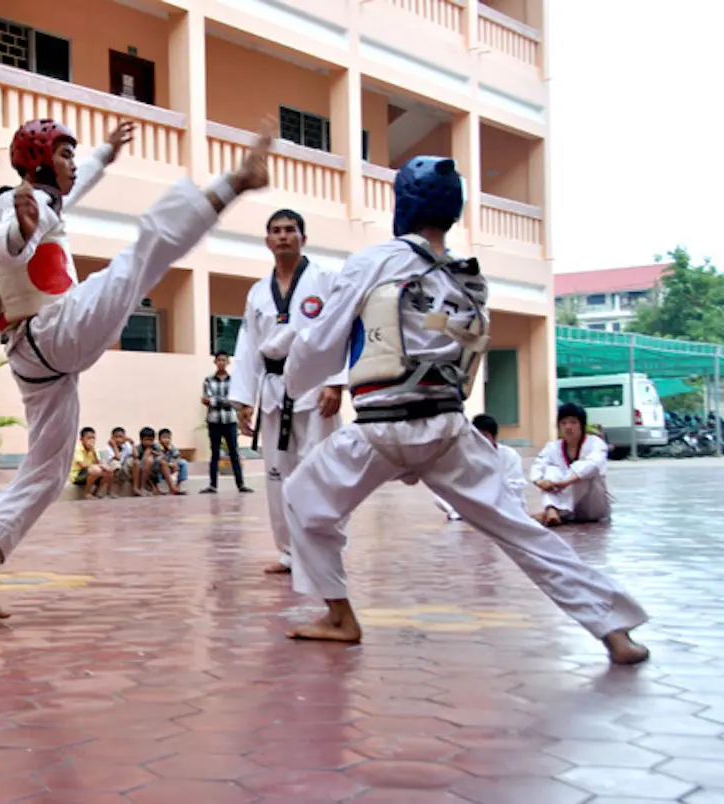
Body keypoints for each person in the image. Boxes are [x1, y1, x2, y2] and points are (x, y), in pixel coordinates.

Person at [278, 155, 649, 665]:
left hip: (382, 429)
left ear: (402, 204)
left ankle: (340, 616)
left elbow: (317, 349)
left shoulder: (376, 261)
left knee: (301, 498)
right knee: (521, 531)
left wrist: (293, 370)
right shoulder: (468, 278)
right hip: (449, 430)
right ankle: (616, 631)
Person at [0, 117, 274, 618]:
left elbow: (56, 201)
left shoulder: (44, 201)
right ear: (37, 160)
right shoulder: (19, 206)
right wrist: (21, 235)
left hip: (32, 358)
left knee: (49, 469)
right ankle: (234, 183)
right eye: (64, 156)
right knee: (141, 257)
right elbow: (6, 242)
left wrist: (104, 155)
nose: (72, 166)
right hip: (54, 331)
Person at [229, 209, 347, 574]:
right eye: (276, 231)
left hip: (315, 388)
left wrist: (336, 381)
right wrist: (243, 400)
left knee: (318, 470)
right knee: (277, 474)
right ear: (267, 241)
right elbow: (248, 345)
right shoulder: (257, 292)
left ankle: (323, 550)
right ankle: (289, 552)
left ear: (303, 238)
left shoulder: (325, 280)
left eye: (290, 230)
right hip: (274, 391)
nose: (283, 236)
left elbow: (342, 328)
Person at [530, 402, 611, 527]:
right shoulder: (553, 447)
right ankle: (552, 510)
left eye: (573, 422)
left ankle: (553, 511)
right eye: (563, 423)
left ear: (582, 425)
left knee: (582, 472)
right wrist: (539, 481)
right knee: (551, 471)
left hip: (592, 507)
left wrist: (566, 482)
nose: (568, 427)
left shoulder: (596, 443)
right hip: (568, 506)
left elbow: (593, 465)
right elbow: (538, 464)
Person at [433, 413, 525, 521]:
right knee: (439, 497)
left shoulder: (510, 455)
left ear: (494, 437)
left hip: (501, 501)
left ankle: (468, 514)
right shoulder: (468, 454)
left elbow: (515, 486)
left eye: (485, 436)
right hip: (476, 500)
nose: (481, 440)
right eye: (477, 437)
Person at [201, 352, 252, 494]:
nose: (221, 362)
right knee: (215, 454)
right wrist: (226, 401)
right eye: (219, 360)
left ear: (228, 362)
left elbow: (235, 401)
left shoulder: (234, 381)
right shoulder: (208, 380)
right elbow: (206, 400)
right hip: (214, 421)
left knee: (234, 453)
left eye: (224, 360)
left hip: (230, 421)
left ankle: (241, 484)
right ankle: (212, 485)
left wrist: (216, 401)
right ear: (215, 362)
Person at [70, 426, 109, 500]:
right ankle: (87, 493)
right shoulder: (77, 449)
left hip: (90, 472)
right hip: (77, 475)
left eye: (93, 438)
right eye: (88, 438)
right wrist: (97, 466)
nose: (91, 440)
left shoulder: (94, 450)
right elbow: (82, 465)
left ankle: (98, 494)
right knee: (96, 470)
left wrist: (94, 452)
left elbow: (98, 463)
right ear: (81, 439)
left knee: (108, 470)